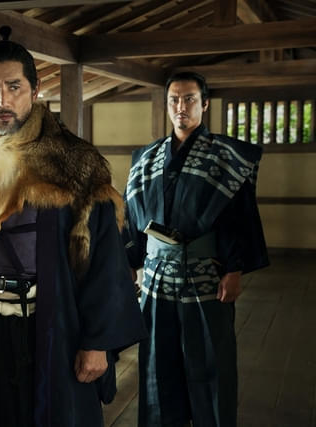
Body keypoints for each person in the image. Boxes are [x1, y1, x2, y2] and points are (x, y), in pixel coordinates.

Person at [0, 26, 146, 427]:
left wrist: (97, 341)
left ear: (35, 89)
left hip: (52, 328)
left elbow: (104, 256)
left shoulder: (74, 160)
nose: (2, 100)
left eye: (14, 87)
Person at [123, 71, 269, 426]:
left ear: (204, 104)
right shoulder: (146, 157)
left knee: (211, 361)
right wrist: (130, 262)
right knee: (157, 361)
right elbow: (133, 215)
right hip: (156, 275)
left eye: (189, 99)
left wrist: (234, 269)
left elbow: (239, 216)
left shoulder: (225, 155)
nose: (181, 107)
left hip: (206, 273)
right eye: (174, 99)